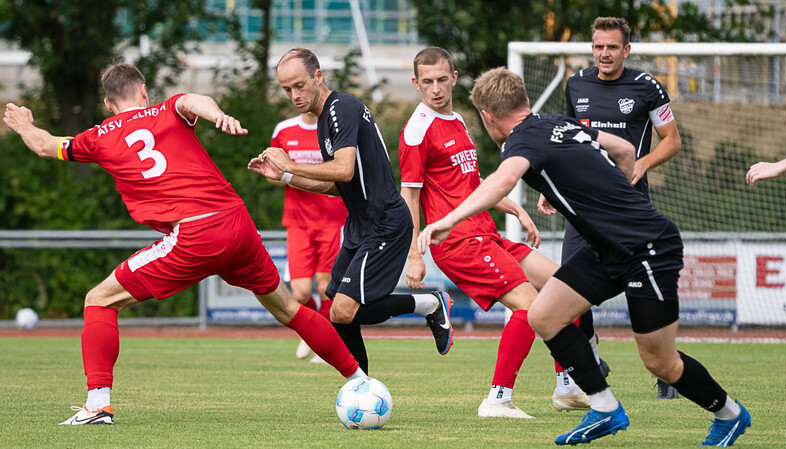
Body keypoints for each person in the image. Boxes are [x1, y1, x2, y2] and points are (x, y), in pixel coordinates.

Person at [3, 63, 366, 426]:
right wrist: (218, 115)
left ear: (108, 104)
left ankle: (98, 404)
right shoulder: (167, 109)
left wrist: (23, 125)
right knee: (288, 308)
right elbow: (194, 100)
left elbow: (46, 146)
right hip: (237, 222)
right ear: (144, 91)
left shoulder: (98, 136)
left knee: (99, 300)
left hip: (195, 234)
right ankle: (360, 380)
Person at [419, 67, 750, 446]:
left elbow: (502, 181)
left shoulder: (519, 141)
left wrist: (448, 220)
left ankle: (730, 415)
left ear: (489, 116)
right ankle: (605, 408)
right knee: (544, 315)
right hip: (607, 249)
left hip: (647, 247)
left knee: (660, 362)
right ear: (524, 101)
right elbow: (625, 150)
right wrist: (610, 194)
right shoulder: (559, 123)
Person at [248, 48, 453, 375]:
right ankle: (362, 385)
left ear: (318, 76)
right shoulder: (324, 121)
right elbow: (338, 186)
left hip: (386, 222)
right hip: (361, 225)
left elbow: (342, 169)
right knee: (337, 310)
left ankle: (429, 304)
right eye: (287, 90)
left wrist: (290, 162)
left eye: (299, 85)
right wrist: (286, 176)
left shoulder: (341, 108)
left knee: (343, 309)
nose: (294, 95)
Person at [398, 46, 558, 418]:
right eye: (427, 82)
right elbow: (409, 195)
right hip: (457, 243)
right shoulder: (416, 131)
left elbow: (472, 184)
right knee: (531, 307)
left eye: (442, 79)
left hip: (485, 233)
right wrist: (414, 256)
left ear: (454, 78)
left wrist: (515, 207)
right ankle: (498, 399)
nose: (436, 88)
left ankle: (568, 385)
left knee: (563, 286)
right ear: (415, 84)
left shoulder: (456, 121)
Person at [540, 16, 683, 406]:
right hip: (582, 208)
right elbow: (565, 140)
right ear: (593, 48)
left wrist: (644, 162)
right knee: (565, 283)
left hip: (628, 210)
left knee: (647, 292)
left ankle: (667, 368)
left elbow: (672, 141)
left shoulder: (647, 88)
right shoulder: (577, 84)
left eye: (612, 47)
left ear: (626, 50)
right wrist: (552, 188)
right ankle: (593, 358)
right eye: (599, 46)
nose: (605, 53)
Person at [267, 112, 348, 363]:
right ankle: (313, 329)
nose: (299, 94)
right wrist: (273, 173)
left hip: (332, 219)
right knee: (300, 293)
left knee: (326, 287)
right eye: (294, 89)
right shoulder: (284, 130)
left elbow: (345, 170)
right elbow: (275, 176)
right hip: (298, 221)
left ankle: (326, 343)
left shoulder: (335, 128)